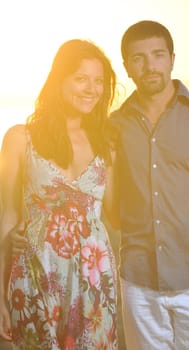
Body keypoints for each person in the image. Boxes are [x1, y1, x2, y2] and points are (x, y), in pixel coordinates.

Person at [108, 20, 189, 349]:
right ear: (127, 67)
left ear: (172, 59)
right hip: (138, 286)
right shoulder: (114, 126)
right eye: (138, 58)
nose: (150, 66)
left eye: (158, 55)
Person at [0, 39, 118, 349]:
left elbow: (117, 215)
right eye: (81, 78)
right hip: (37, 272)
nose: (92, 89)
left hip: (95, 275)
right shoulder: (19, 138)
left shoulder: (108, 145)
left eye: (98, 81)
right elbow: (8, 217)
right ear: (59, 80)